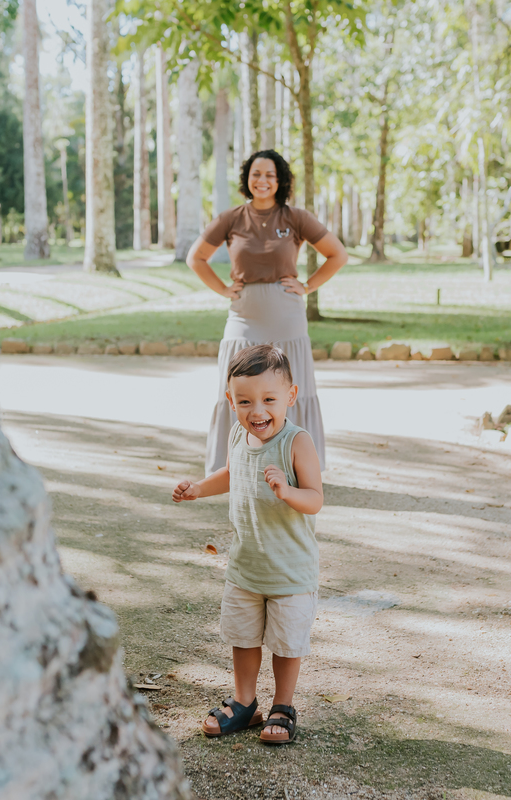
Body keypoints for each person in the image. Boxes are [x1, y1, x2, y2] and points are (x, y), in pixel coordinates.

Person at [172, 344, 323, 745]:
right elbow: (230, 473)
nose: (257, 411)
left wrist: (288, 491)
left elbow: (315, 498)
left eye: (269, 400)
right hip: (245, 567)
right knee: (243, 637)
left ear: (290, 397)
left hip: (290, 570)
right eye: (245, 401)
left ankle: (283, 706)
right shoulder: (238, 435)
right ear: (230, 401)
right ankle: (245, 703)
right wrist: (199, 489)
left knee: (286, 643)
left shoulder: (296, 442)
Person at [185, 149, 348, 475]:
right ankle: (232, 468)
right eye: (256, 174)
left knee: (289, 390)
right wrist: (222, 289)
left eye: (269, 175)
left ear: (280, 180)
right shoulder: (231, 218)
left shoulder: (295, 218)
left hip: (287, 317)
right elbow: (196, 258)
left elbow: (337, 255)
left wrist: (308, 285)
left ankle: (298, 468)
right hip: (243, 316)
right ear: (247, 178)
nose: (262, 181)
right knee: (236, 389)